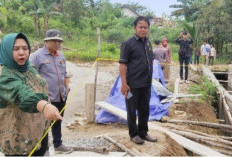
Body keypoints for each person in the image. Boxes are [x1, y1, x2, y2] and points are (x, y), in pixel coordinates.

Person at [0, 33, 62, 156]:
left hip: (38, 132)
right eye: (16, 49)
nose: (22, 52)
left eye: (25, 48)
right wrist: (44, 106)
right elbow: (22, 93)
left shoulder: (29, 68)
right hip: (18, 140)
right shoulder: (4, 75)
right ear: (6, 50)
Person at [30, 29, 73, 154]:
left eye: (59, 41)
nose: (57, 43)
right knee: (43, 124)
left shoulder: (61, 55)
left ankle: (58, 144)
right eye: (54, 41)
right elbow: (32, 77)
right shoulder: (37, 56)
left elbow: (65, 73)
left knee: (58, 120)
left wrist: (67, 86)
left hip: (61, 95)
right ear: (46, 41)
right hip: (47, 98)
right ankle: (44, 149)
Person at [119, 16, 157, 145]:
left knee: (144, 109)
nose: (143, 29)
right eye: (140, 27)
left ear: (148, 29)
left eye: (145, 27)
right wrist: (124, 84)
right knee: (131, 110)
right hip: (132, 85)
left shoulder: (148, 42)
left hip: (146, 84)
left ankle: (143, 132)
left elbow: (150, 60)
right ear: (135, 28)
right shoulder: (128, 44)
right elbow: (123, 65)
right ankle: (134, 134)